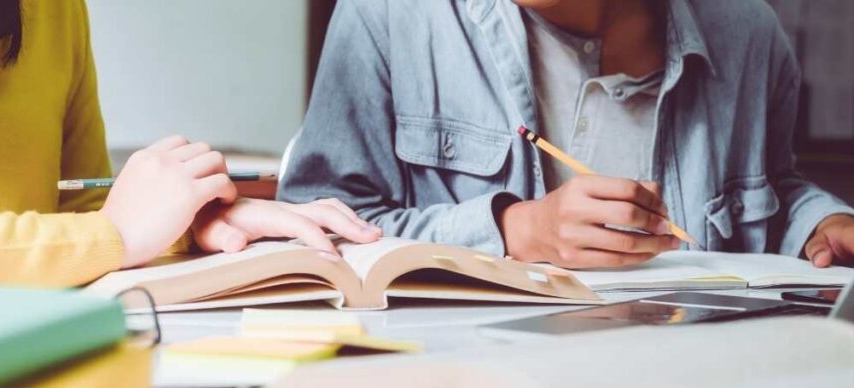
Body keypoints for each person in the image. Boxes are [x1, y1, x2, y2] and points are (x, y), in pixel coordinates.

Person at [0, 0, 381, 288]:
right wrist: (111, 235)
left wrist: (190, 226)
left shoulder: (53, 11)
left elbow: (82, 213)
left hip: (29, 369)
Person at [279, 0, 854, 269]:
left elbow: (772, 187)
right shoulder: (389, 17)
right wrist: (514, 231)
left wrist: (817, 224)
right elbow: (308, 228)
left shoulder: (748, 31)